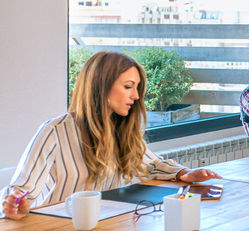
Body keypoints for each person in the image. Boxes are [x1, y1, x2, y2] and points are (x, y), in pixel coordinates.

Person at [1, 51, 221, 220]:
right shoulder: (55, 131)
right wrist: (14, 203)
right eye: (128, 87)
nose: (135, 96)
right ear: (101, 86)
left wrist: (184, 173)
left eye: (137, 88)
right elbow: (21, 190)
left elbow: (152, 165)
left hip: (107, 228)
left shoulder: (122, 130)